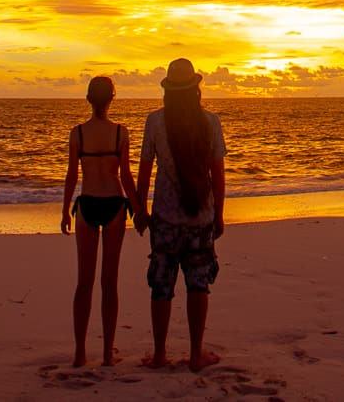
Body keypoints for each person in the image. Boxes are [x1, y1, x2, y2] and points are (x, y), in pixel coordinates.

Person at [134, 57, 227, 373]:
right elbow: (218, 175)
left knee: (161, 285)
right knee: (198, 284)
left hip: (165, 219)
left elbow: (144, 173)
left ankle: (160, 355)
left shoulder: (155, 122)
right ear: (196, 89)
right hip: (201, 218)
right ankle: (196, 354)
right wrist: (220, 214)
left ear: (168, 91)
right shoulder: (210, 123)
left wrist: (140, 211)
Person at [60, 75, 138, 368]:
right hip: (115, 204)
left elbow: (72, 176)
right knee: (109, 281)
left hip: (87, 204)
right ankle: (107, 354)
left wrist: (65, 209)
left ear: (88, 99)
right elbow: (126, 177)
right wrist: (140, 209)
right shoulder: (120, 133)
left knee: (84, 282)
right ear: (112, 98)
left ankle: (80, 353)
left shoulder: (77, 133)